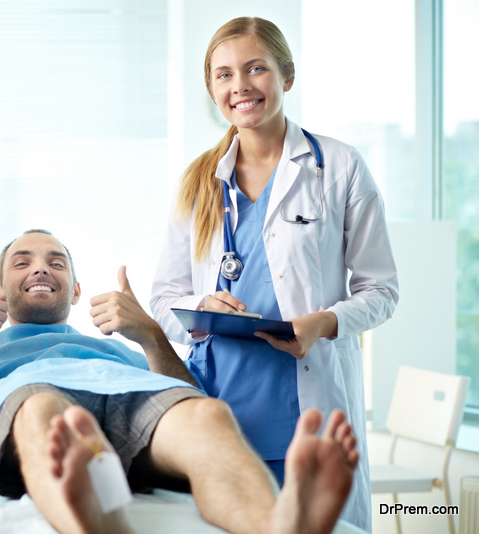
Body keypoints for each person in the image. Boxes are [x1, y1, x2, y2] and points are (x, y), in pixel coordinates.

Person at [0, 229, 359, 534]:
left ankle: (275, 524)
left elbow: (187, 397)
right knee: (46, 416)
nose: (40, 267)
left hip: (129, 392)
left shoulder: (117, 352)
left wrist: (150, 333)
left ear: (74, 291)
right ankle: (96, 519)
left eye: (55, 261)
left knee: (208, 415)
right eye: (22, 261)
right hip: (29, 398)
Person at [149, 16, 399, 531]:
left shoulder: (340, 167)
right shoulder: (198, 181)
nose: (238, 85)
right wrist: (200, 308)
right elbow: (164, 298)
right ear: (211, 89)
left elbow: (382, 290)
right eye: (223, 75)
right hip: (222, 407)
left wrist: (322, 323)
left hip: (307, 404)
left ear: (286, 76)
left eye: (254, 68)